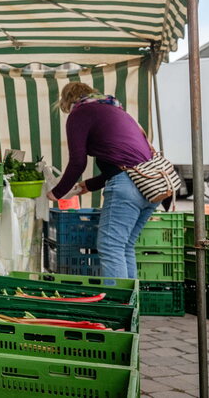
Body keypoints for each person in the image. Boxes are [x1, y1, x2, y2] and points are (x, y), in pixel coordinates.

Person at [48, 82, 157, 279]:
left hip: (127, 186)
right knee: (124, 247)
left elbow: (77, 162)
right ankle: (129, 305)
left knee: (110, 246)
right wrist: (87, 186)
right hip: (152, 185)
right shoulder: (116, 110)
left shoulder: (80, 113)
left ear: (67, 101)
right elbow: (124, 160)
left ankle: (117, 306)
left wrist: (56, 192)